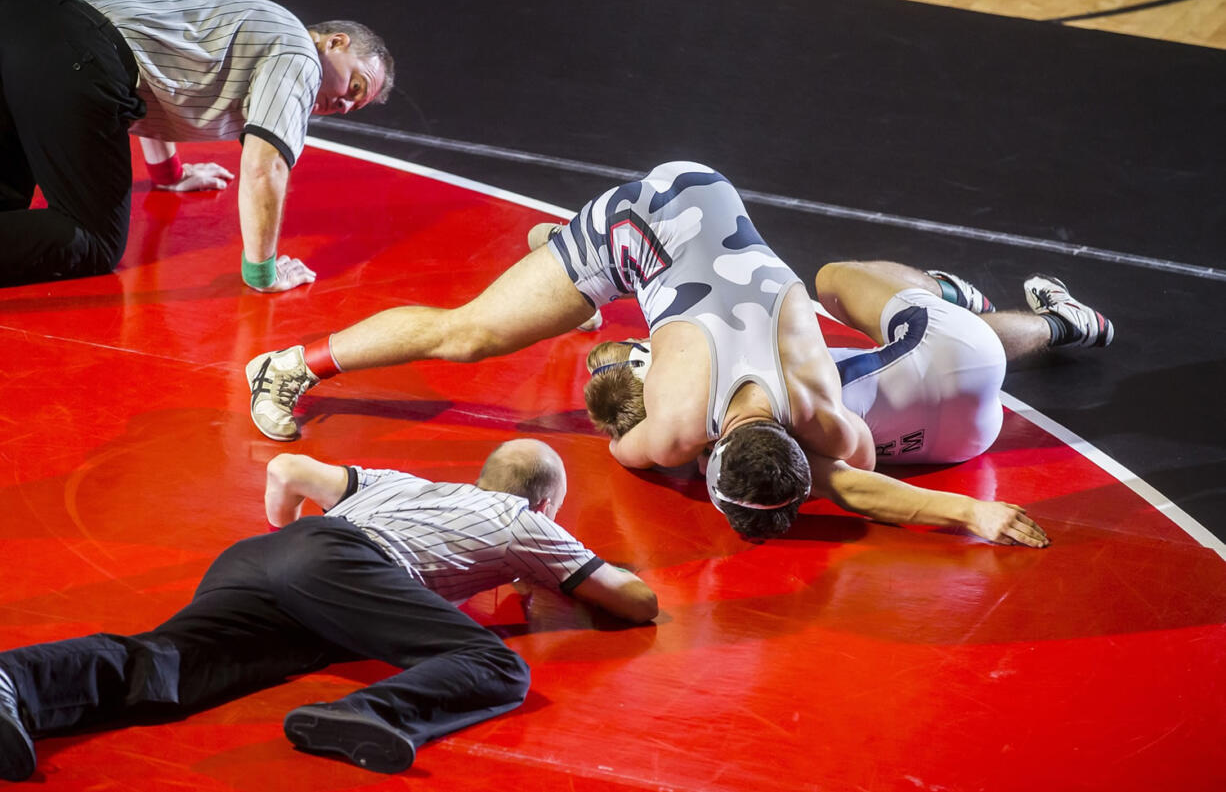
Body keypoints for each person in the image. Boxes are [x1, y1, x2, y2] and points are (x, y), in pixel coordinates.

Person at [247, 163, 867, 526]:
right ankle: (288, 366)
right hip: (639, 227)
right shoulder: (681, 426)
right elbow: (626, 448)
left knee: (642, 304)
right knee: (469, 334)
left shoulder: (825, 414)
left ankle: (561, 256)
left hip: (707, 195)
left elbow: (852, 458)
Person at [0, 439, 657, 780]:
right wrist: (545, 579)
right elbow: (636, 601)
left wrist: (288, 542)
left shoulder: (405, 483)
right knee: (495, 665)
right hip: (337, 561)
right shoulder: (522, 519)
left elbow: (286, 469)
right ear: (546, 506)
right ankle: (361, 710)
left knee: (169, 666)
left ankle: (14, 684)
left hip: (259, 560)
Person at [582, 261, 1113, 544]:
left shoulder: (721, 463)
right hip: (955, 355)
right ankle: (951, 295)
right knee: (832, 280)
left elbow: (848, 486)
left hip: (957, 444)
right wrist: (972, 513)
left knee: (948, 353)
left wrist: (971, 512)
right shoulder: (729, 393)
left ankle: (1067, 323)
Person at [0, 0, 394, 288]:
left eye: (352, 107)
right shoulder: (301, 57)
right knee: (92, 240)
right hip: (76, 52)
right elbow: (264, 166)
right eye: (354, 87)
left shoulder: (261, 27)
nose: (343, 105)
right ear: (335, 43)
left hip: (23, 18)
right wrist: (264, 273)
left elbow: (149, 80)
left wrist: (169, 174)